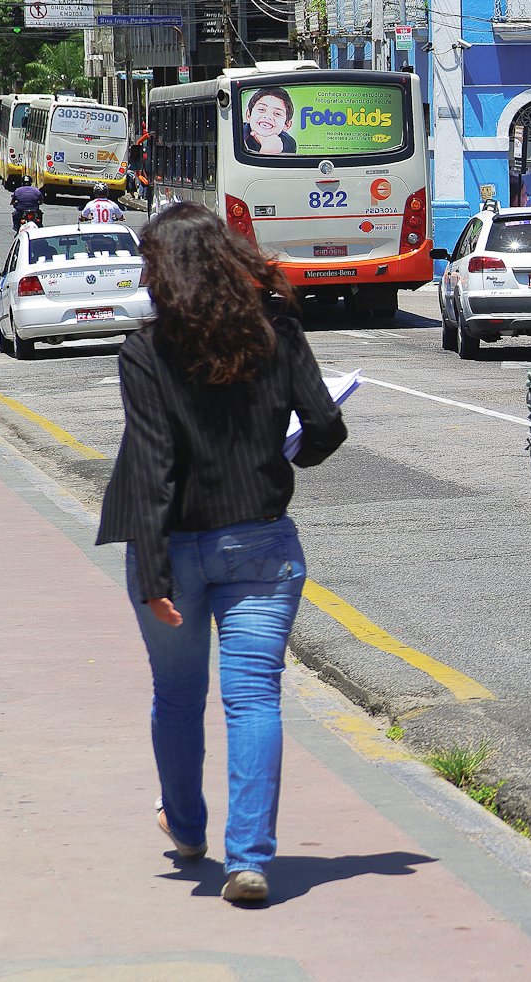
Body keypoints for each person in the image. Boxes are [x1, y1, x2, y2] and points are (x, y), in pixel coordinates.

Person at [96, 202, 347, 903]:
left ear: (166, 272)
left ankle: (186, 828)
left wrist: (150, 571)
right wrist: (285, 456)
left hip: (173, 550)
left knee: (177, 696)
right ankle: (250, 860)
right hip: (262, 544)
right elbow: (326, 427)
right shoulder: (279, 332)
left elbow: (153, 467)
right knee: (254, 698)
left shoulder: (145, 352)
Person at [243, 88, 297, 155]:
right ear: (249, 116)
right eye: (261, 109)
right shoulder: (234, 136)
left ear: (286, 125)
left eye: (277, 113)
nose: (268, 116)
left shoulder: (289, 143)